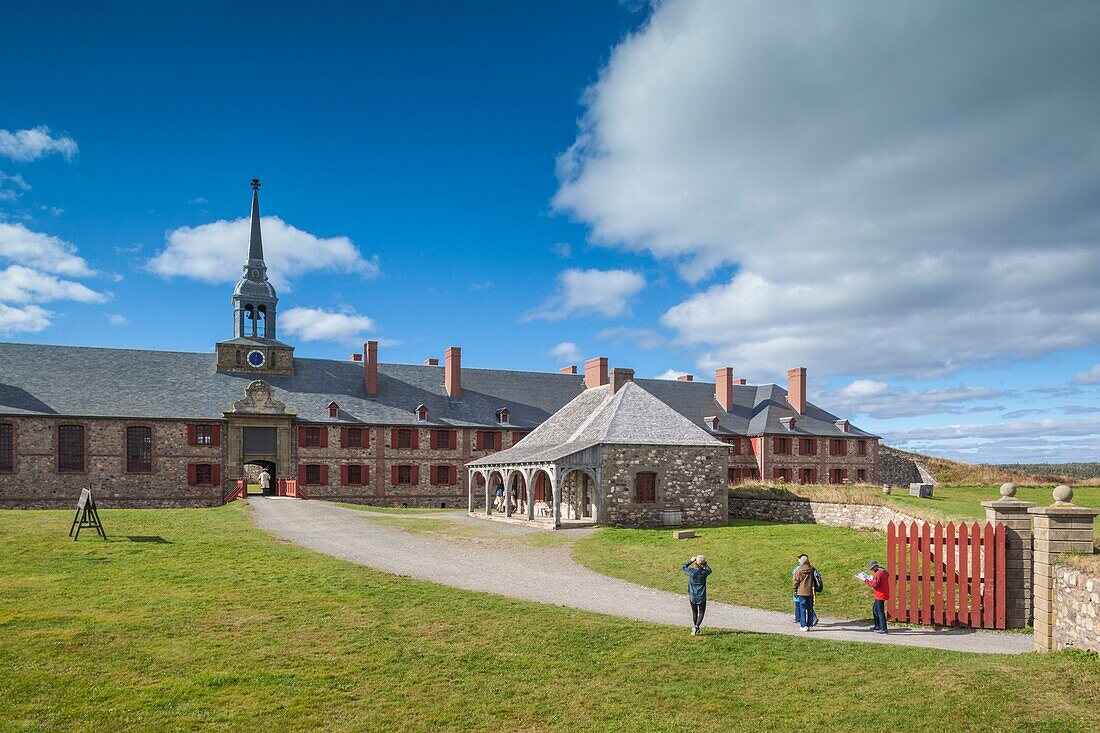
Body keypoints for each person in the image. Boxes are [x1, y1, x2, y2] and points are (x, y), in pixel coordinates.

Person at [682, 555, 712, 636]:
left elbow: (683, 567)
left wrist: (691, 560)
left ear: (696, 563)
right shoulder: (705, 573)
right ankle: (696, 627)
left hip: (692, 595)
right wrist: (705, 564)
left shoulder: (692, 572)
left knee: (694, 612)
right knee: (701, 613)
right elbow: (710, 570)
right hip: (701, 596)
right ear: (704, 563)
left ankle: (695, 628)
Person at [863, 560, 891, 634]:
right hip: (882, 593)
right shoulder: (883, 572)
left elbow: (875, 584)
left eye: (871, 568)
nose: (870, 570)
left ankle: (883, 628)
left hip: (880, 595)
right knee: (875, 610)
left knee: (880, 612)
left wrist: (865, 580)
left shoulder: (878, 574)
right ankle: (877, 625)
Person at [792, 554, 816, 631]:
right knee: (810, 609)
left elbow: (795, 582)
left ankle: (803, 625)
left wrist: (795, 590)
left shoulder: (799, 570)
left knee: (802, 609)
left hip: (802, 592)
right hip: (810, 591)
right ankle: (810, 625)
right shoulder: (812, 569)